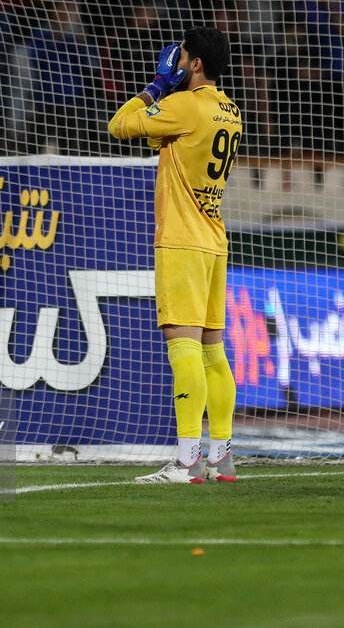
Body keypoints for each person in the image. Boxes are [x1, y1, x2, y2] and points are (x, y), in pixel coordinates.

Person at [108, 27, 241, 484]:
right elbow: (161, 143)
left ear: (196, 63)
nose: (177, 61)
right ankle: (221, 457)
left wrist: (158, 85)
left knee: (182, 346)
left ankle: (187, 462)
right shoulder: (229, 110)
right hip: (214, 239)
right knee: (212, 351)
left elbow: (120, 124)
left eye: (182, 56)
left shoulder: (183, 104)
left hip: (182, 240)